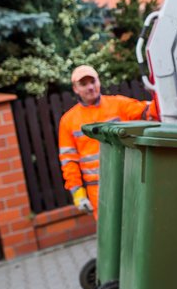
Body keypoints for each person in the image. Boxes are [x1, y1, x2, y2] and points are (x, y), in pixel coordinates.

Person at [58, 65, 157, 219]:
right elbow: (68, 161)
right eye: (84, 84)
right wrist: (78, 193)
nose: (90, 87)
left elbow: (148, 111)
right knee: (111, 237)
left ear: (99, 82)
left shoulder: (118, 104)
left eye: (93, 81)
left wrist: (161, 97)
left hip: (129, 182)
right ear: (75, 89)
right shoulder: (68, 121)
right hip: (98, 191)